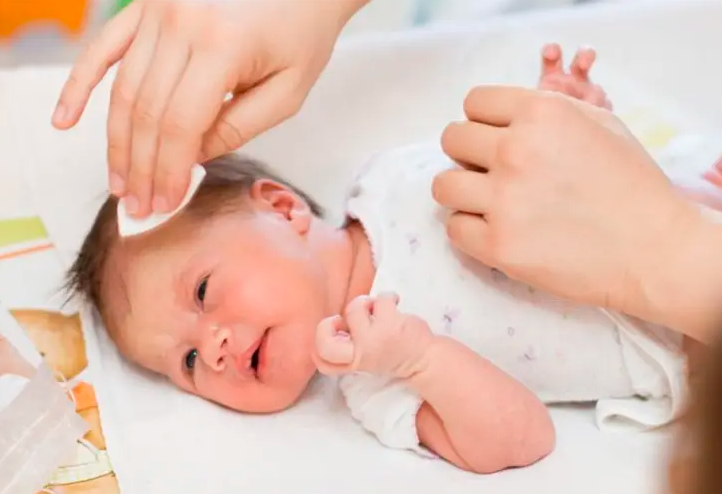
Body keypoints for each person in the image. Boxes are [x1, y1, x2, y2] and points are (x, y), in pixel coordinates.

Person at [65, 46, 711, 474]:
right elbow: (522, 441)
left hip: (683, 204)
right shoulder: (373, 383)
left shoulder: (392, 179)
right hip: (687, 342)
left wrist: (566, 118)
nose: (213, 349)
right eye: (185, 362)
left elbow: (527, 174)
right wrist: (420, 359)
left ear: (283, 209)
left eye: (203, 292)